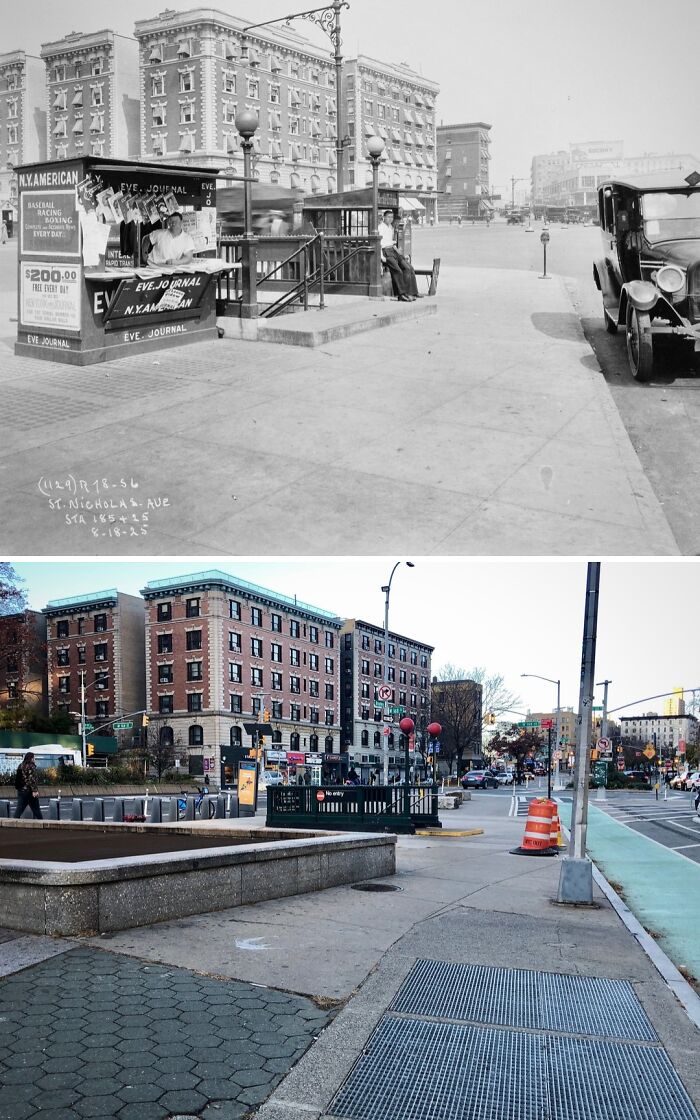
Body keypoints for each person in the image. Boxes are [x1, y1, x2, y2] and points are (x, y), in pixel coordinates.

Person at [377, 210, 419, 302]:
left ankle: (411, 292)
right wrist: (381, 257)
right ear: (383, 217)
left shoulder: (390, 228)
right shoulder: (380, 228)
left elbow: (391, 242)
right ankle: (401, 294)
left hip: (393, 250)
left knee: (408, 268)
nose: (390, 219)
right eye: (388, 217)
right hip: (385, 252)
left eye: (391, 217)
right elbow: (378, 244)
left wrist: (398, 251)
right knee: (398, 271)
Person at [14, 752, 43, 820]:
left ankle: (12, 823)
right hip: (29, 791)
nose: (34, 759)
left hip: (21, 791)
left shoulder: (20, 765)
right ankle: (42, 824)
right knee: (36, 809)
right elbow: (32, 779)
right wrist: (35, 791)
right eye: (34, 757)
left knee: (19, 809)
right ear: (31, 758)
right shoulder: (31, 766)